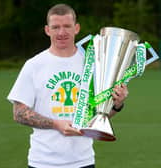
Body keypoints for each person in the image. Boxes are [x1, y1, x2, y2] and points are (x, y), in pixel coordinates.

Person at [7, 3, 128, 168]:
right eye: (55, 27)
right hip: (42, 162)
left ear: (76, 28)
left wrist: (117, 104)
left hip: (83, 161)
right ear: (47, 30)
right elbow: (19, 113)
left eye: (67, 26)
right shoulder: (34, 65)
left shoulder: (94, 64)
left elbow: (97, 116)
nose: (61, 32)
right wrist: (56, 124)